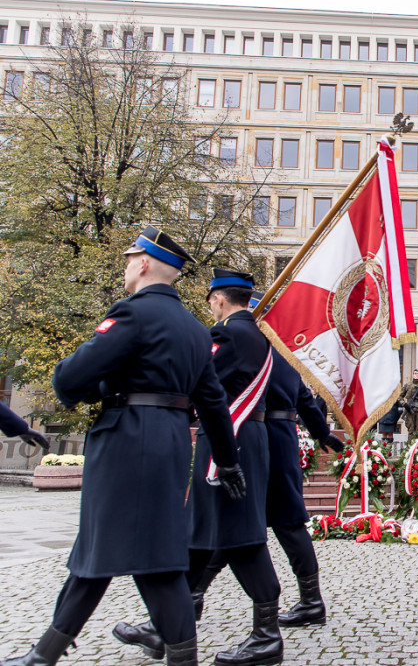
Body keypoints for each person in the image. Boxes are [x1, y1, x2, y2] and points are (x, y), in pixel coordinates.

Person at [1, 227, 244, 666]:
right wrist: (227, 462)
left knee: (120, 554)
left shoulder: (133, 313)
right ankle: (45, 654)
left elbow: (71, 378)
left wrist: (87, 386)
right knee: (140, 556)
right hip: (170, 442)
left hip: (128, 438)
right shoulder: (195, 329)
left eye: (131, 258)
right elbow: (213, 403)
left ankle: (43, 656)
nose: (126, 265)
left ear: (145, 263)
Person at [113, 268, 284, 666]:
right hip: (246, 437)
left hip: (229, 439)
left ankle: (266, 636)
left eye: (210, 302)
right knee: (202, 534)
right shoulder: (260, 334)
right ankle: (165, 625)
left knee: (241, 537)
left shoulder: (227, 334)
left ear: (218, 299)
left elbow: (201, 384)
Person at [186, 293, 347, 632]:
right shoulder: (284, 352)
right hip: (284, 437)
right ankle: (310, 600)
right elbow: (304, 397)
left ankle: (193, 596)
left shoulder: (252, 348)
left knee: (235, 520)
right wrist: (322, 434)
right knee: (287, 523)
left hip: (259, 434)